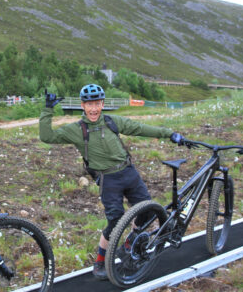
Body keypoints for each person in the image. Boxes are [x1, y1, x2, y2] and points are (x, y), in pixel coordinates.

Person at [39, 84, 183, 280]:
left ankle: (129, 243)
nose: (93, 109)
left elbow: (139, 128)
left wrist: (168, 133)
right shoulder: (77, 130)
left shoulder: (112, 121)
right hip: (108, 179)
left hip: (129, 172)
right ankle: (100, 262)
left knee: (147, 212)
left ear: (102, 104)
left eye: (97, 103)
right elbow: (46, 136)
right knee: (115, 220)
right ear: (82, 105)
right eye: (89, 104)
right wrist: (47, 110)